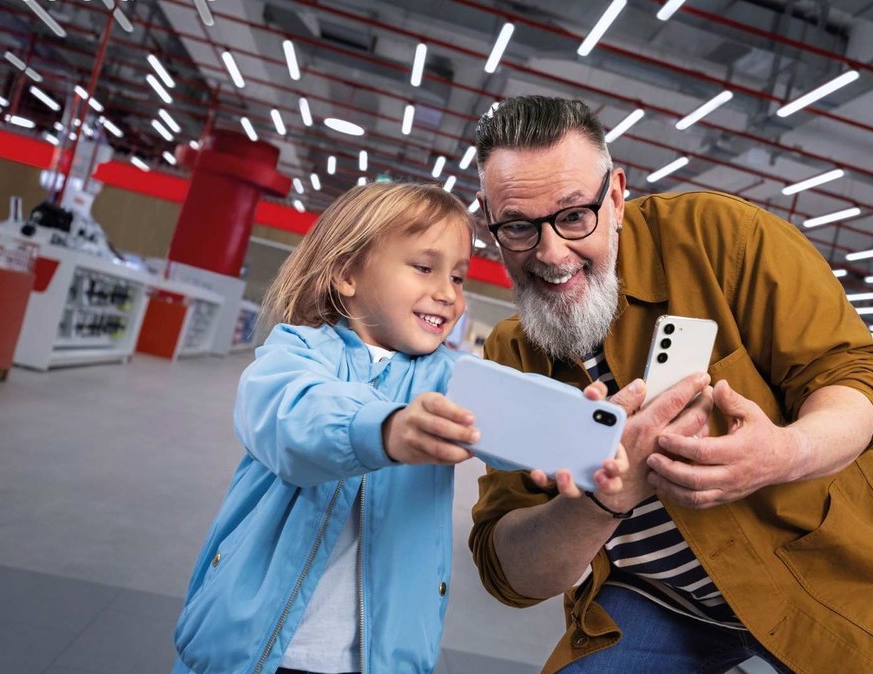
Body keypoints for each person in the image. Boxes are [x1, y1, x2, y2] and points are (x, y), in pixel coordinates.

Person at [468, 96, 873, 674]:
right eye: (519, 227)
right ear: (491, 223)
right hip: (656, 597)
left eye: (574, 216)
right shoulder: (510, 355)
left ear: (616, 196)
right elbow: (511, 573)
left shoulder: (724, 239)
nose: (551, 253)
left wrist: (785, 453)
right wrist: (601, 501)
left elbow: (854, 381)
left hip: (819, 576)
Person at [170, 181, 627, 674]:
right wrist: (387, 429)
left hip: (383, 657)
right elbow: (291, 418)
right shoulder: (295, 353)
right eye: (424, 268)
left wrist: (572, 416)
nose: (447, 294)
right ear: (347, 273)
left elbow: (507, 405)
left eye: (456, 277)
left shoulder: (448, 376)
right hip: (247, 650)